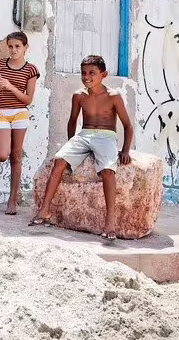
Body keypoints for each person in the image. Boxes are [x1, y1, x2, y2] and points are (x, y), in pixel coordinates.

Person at [30, 55, 133, 240]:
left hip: (106, 136)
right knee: (59, 160)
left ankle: (110, 221)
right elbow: (72, 121)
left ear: (104, 74)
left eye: (92, 73)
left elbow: (127, 125)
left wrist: (125, 150)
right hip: (84, 135)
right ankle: (44, 210)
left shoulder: (114, 96)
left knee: (108, 170)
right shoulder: (79, 96)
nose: (87, 77)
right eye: (83, 73)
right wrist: (71, 145)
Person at [0, 31, 40, 215]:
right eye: (10, 46)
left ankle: (12, 200)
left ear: (25, 48)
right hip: (0, 112)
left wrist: (10, 86)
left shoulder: (31, 70)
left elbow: (27, 99)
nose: (14, 50)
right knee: (1, 155)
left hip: (19, 114)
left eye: (17, 46)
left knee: (15, 157)